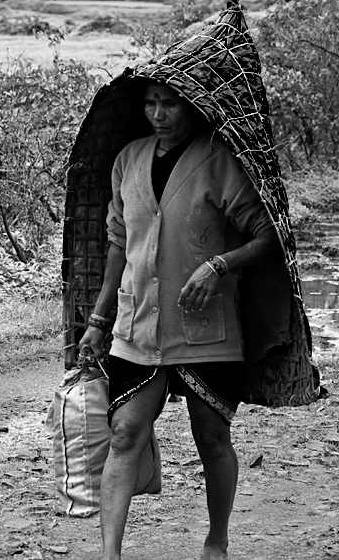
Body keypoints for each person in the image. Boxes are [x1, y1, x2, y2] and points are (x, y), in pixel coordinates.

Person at [76, 79, 284, 560]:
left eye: (169, 104)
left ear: (193, 108)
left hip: (205, 331)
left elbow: (267, 235)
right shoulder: (128, 160)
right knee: (124, 433)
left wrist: (219, 265)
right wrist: (99, 320)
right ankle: (110, 555)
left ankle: (216, 541)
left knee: (211, 437)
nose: (158, 114)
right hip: (137, 327)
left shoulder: (218, 161)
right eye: (151, 104)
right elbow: (117, 245)